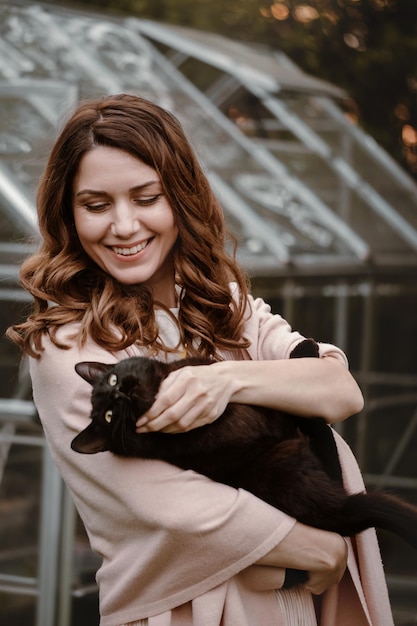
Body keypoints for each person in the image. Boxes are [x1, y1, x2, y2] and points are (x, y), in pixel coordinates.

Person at [7, 93, 394, 626]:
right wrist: (318, 549)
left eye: (146, 197)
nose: (123, 226)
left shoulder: (221, 303)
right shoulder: (69, 346)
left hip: (304, 606)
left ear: (180, 198)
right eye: (96, 205)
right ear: (69, 216)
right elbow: (173, 506)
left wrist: (225, 379)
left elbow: (339, 391)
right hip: (194, 610)